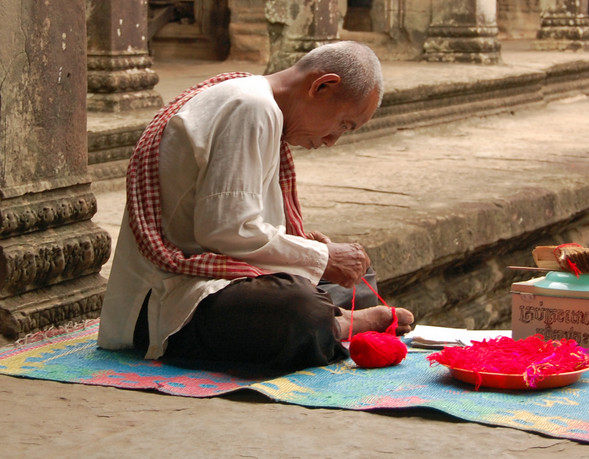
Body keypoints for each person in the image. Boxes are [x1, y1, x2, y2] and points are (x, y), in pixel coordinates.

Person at [98, 41, 414, 372]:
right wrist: (322, 257)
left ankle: (335, 318)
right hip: (166, 304)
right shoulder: (251, 107)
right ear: (322, 86)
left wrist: (314, 253)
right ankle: (340, 324)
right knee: (300, 310)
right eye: (344, 124)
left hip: (222, 278)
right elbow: (226, 230)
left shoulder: (259, 104)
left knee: (355, 279)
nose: (333, 140)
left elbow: (240, 228)